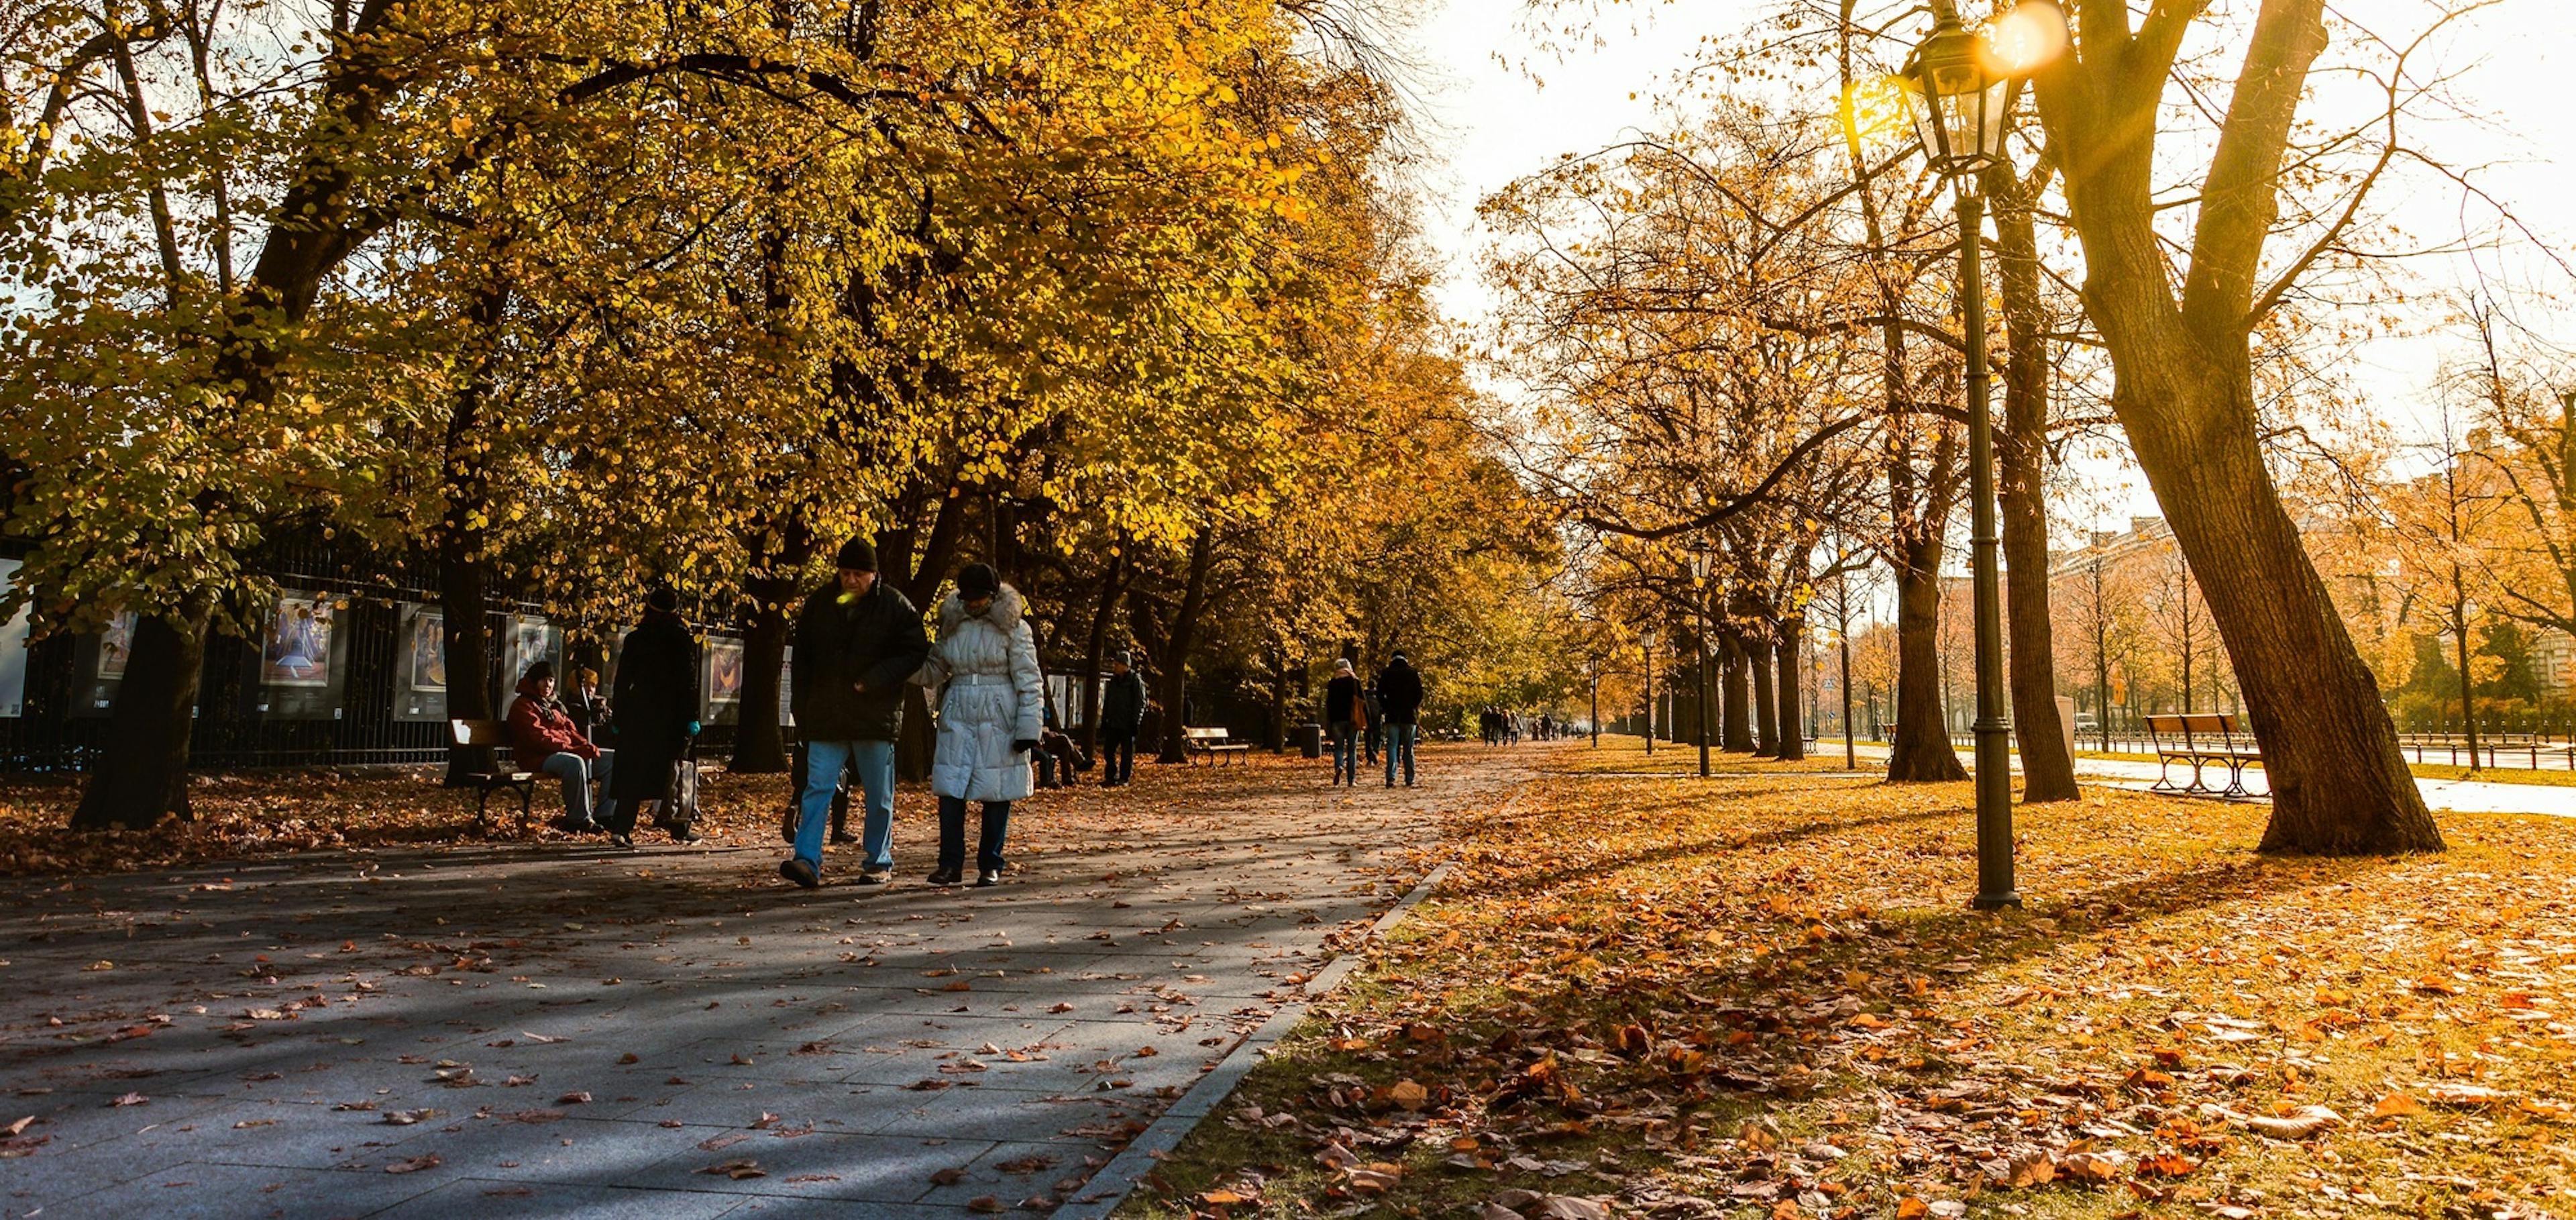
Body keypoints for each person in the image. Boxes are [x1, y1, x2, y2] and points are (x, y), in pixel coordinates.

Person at [780, 538, 930, 889]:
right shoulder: (820, 603)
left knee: (879, 796)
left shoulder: (895, 606)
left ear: (874, 574)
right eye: (845, 573)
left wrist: (875, 679)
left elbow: (915, 651)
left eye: (859, 574)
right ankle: (806, 860)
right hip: (827, 714)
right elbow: (802, 661)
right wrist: (802, 709)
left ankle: (878, 862)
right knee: (817, 789)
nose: (851, 580)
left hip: (874, 716)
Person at [916, 563, 1042, 886]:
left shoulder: (1015, 628)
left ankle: (991, 863)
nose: (974, 604)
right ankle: (950, 864)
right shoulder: (951, 626)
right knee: (950, 789)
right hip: (958, 709)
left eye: (980, 598)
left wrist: (1029, 729)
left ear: (993, 596)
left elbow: (1029, 680)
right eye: (969, 598)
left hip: (999, 713)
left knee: (997, 791)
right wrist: (902, 665)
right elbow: (935, 670)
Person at [607, 587, 700, 847]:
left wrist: (618, 717)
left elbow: (622, 681)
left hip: (638, 713)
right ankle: (679, 826)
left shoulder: (636, 638)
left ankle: (622, 828)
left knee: (633, 773)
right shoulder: (681, 638)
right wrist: (692, 717)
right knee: (675, 772)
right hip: (672, 714)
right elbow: (688, 682)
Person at [506, 661, 614, 833]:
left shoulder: (554, 706)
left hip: (561, 752)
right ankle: (578, 819)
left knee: (613, 760)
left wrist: (585, 745)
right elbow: (539, 738)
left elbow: (571, 731)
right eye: (544, 680)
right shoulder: (523, 706)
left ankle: (605, 815)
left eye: (551, 680)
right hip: (536, 757)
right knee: (574, 763)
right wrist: (573, 750)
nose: (548, 685)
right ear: (534, 681)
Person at [1099, 651, 1146, 787]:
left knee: (1126, 753)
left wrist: (1136, 721)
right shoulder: (1114, 681)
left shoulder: (1135, 681)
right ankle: (1110, 777)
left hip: (1127, 723)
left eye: (1117, 664)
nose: (1114, 666)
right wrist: (1105, 719)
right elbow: (1108, 701)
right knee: (1109, 751)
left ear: (1125, 665)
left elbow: (1140, 703)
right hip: (1113, 722)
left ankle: (1124, 778)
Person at [1377, 650, 1424, 788]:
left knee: (1392, 746)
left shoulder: (1386, 673)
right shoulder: (1412, 673)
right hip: (1408, 716)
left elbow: (1379, 694)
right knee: (1408, 748)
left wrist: (1386, 706)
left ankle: (1391, 777)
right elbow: (1419, 694)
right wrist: (1413, 706)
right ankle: (1409, 778)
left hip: (1392, 715)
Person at [1324, 658, 1366, 786]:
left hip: (1337, 719)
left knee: (1339, 748)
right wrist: (1367, 720)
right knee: (1352, 749)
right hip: (1353, 719)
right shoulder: (1355, 681)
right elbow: (1362, 701)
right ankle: (1351, 780)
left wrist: (1330, 721)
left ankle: (1339, 766)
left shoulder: (1333, 683)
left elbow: (1329, 703)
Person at [566, 666, 612, 743]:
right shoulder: (572, 708)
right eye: (586, 685)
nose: (590, 689)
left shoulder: (599, 706)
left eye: (593, 686)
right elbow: (590, 732)